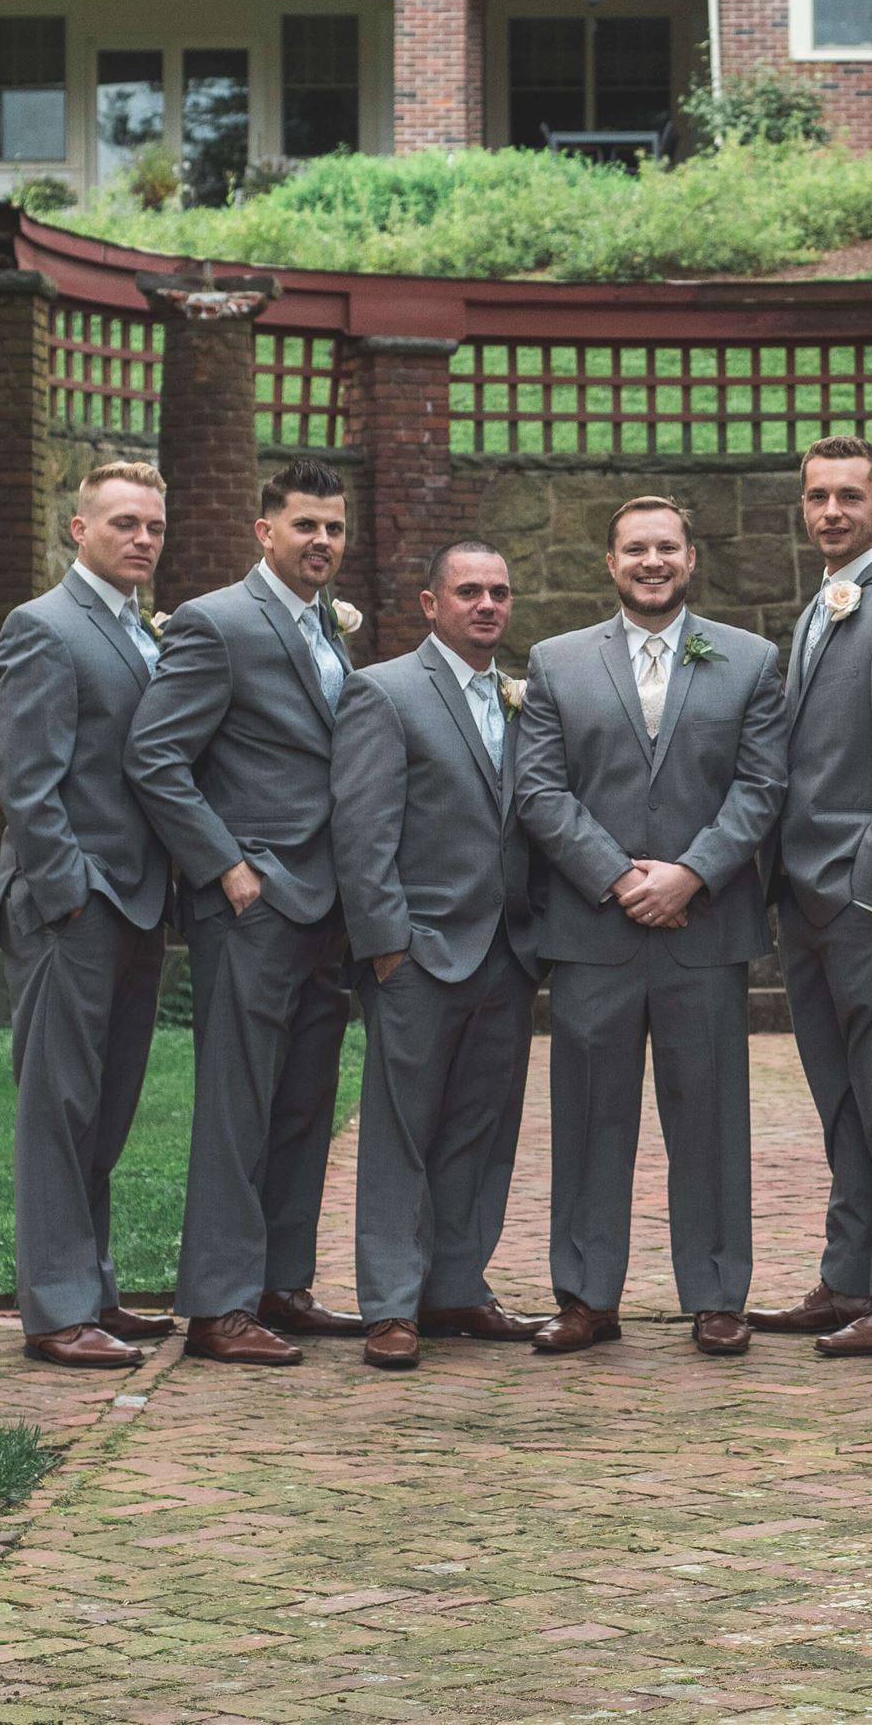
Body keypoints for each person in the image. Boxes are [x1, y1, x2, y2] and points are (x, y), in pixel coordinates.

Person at [511, 496, 789, 1357]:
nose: (652, 561)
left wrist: (691, 873)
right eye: (636, 548)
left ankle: (716, 1293)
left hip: (703, 931)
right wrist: (617, 875)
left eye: (667, 546)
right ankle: (587, 1295)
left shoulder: (750, 661)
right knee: (591, 1117)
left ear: (692, 557)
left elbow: (761, 788)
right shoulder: (556, 664)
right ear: (611, 562)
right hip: (595, 929)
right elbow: (540, 791)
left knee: (709, 1118)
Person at [125, 459, 365, 1367]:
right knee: (237, 1108)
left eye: (334, 528)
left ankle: (279, 1283)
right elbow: (155, 757)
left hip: (325, 909)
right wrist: (225, 866)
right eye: (306, 525)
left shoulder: (331, 631)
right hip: (254, 906)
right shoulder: (217, 622)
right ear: (265, 531)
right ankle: (219, 1305)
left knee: (303, 1103)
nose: (322, 542)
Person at [749, 436, 872, 1356]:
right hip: (805, 899)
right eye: (818, 497)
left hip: (863, 903)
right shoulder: (820, 609)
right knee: (840, 1098)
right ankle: (848, 1275)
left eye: (849, 497)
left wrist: (867, 895)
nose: (831, 511)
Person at [331, 542, 549, 1370]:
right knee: (400, 1134)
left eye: (499, 590)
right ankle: (390, 1305)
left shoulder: (525, 700)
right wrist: (386, 945)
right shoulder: (384, 692)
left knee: (481, 1131)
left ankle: (455, 1285)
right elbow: (362, 830)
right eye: (468, 591)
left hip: (506, 951)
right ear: (431, 603)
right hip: (418, 952)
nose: (487, 604)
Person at [0, 461, 178, 1369]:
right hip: (73, 906)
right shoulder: (45, 628)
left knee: (105, 1109)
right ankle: (56, 1311)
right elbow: (30, 786)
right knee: (58, 1110)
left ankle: (93, 1286)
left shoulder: (141, 629)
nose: (141, 538)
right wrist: (67, 897)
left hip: (138, 903)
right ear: (79, 530)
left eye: (153, 526)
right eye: (124, 523)